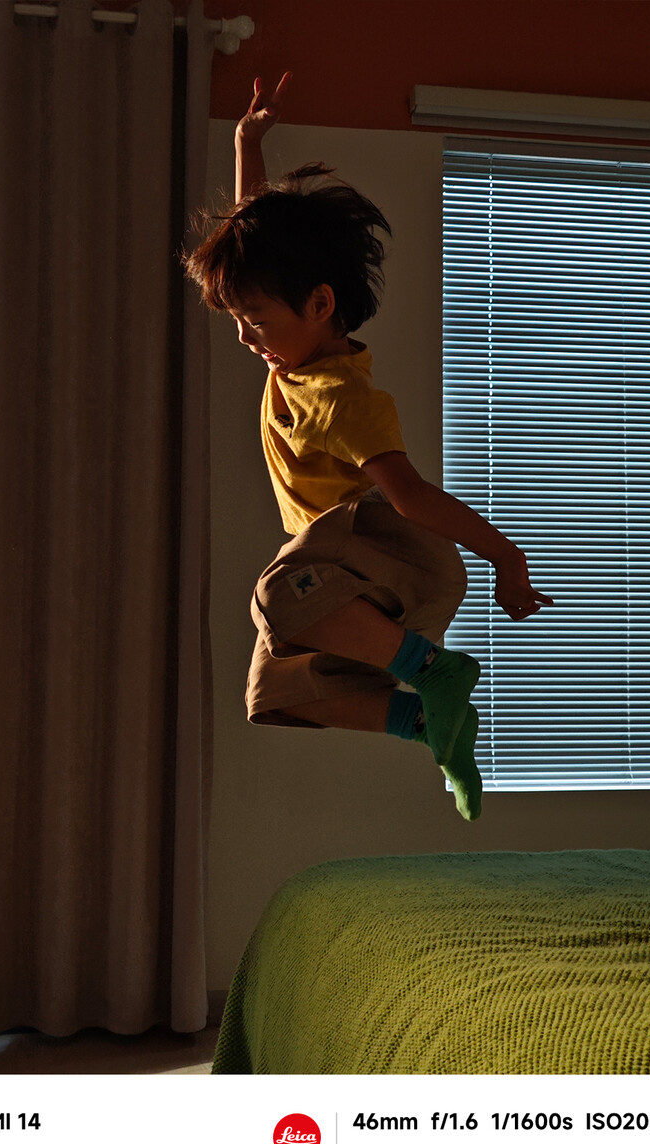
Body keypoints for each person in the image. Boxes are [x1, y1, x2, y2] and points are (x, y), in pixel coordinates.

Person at [184, 74, 553, 820]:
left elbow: (410, 496)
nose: (246, 337)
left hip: (396, 555)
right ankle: (430, 723)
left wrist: (506, 557)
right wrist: (247, 142)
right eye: (237, 320)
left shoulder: (343, 398)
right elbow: (259, 236)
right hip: (342, 575)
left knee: (274, 593)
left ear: (320, 304)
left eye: (256, 320)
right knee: (274, 692)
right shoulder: (293, 358)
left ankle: (434, 670)